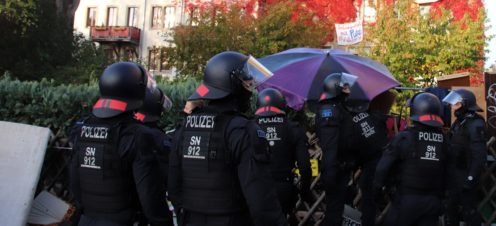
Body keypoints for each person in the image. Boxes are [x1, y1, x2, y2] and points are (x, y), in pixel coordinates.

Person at [168, 51, 288, 226]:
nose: (251, 88)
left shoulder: (184, 127)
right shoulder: (242, 130)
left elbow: (173, 186)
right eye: (247, 83)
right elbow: (261, 200)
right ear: (233, 83)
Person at [69, 61, 173, 226]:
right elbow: (149, 195)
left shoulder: (82, 129)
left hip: (86, 220)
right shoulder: (137, 135)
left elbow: (74, 182)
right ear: (137, 91)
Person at [315, 72, 387, 226]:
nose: (348, 89)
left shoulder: (339, 108)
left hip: (343, 167)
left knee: (337, 209)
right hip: (336, 169)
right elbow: (330, 146)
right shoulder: (330, 110)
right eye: (345, 86)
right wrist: (330, 173)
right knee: (334, 213)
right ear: (336, 88)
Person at [373, 92, 447, 226]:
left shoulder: (405, 138)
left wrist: (377, 190)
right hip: (433, 202)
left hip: (407, 200)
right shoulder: (444, 141)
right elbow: (451, 172)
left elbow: (382, 168)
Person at [254, 87, 313, 226]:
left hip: (256, 188)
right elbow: (304, 167)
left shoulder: (250, 127)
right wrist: (305, 192)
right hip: (283, 188)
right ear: (282, 104)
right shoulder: (293, 128)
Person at [442, 88, 487, 226]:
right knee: (450, 209)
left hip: (466, 173)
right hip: (454, 173)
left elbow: (479, 155)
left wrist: (471, 177)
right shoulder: (459, 122)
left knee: (469, 210)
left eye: (456, 104)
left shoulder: (476, 123)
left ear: (465, 104)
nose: (452, 107)